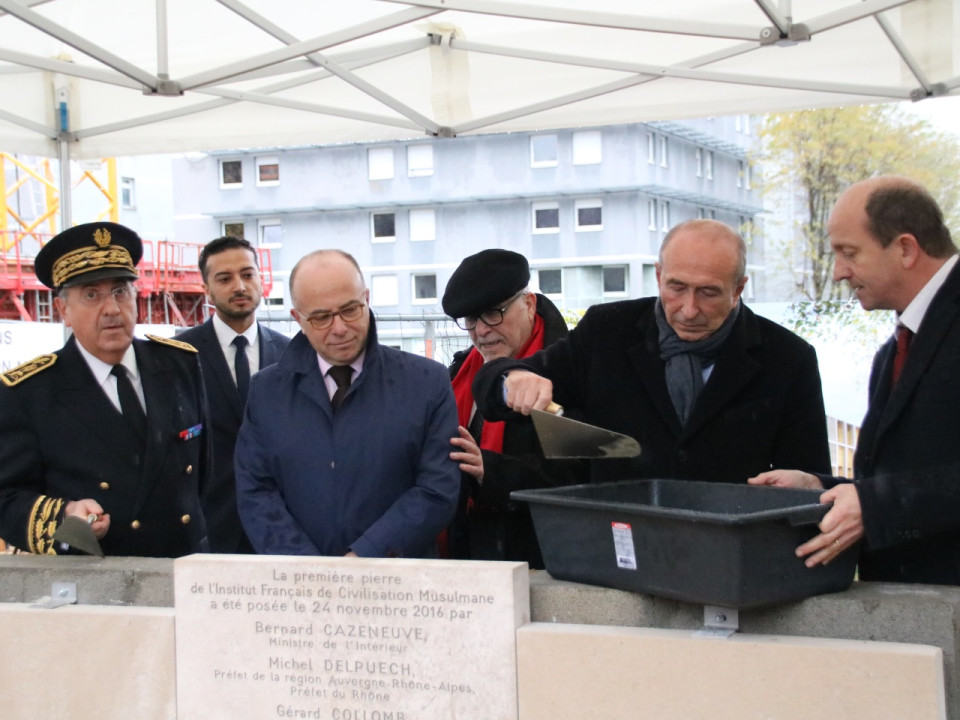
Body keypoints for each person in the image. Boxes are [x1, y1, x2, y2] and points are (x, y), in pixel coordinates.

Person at [474, 218, 832, 485]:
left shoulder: (788, 359)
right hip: (621, 551)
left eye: (708, 292)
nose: (689, 309)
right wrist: (512, 379)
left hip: (728, 561)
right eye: (676, 287)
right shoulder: (608, 331)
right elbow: (491, 384)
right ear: (659, 276)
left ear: (739, 288)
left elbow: (810, 479)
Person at [750, 176, 960, 584]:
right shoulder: (896, 347)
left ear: (905, 248)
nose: (839, 273)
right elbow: (903, 478)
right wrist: (820, 487)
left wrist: (876, 506)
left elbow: (896, 496)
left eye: (849, 253)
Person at [0, 221, 209, 557]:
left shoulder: (179, 364)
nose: (111, 308)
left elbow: (201, 477)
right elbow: (6, 498)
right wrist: (65, 517)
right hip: (96, 579)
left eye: (120, 291)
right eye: (92, 294)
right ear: (63, 310)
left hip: (183, 567)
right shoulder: (29, 392)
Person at [234, 249, 459, 557]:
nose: (339, 328)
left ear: (366, 299)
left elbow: (437, 489)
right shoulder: (266, 391)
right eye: (322, 317)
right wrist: (307, 567)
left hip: (398, 586)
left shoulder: (426, 382)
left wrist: (365, 556)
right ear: (298, 319)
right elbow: (256, 492)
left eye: (350, 310)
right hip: (300, 587)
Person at [442, 249, 585, 567]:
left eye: (494, 313)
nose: (480, 331)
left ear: (529, 304)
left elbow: (581, 477)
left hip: (540, 561)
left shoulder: (572, 371)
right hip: (469, 557)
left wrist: (488, 471)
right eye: (470, 319)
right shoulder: (460, 372)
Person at [178, 236, 289, 553]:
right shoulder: (179, 356)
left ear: (261, 280)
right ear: (206, 289)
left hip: (281, 527)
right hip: (208, 529)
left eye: (248, 274)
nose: (239, 286)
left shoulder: (293, 353)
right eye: (224, 278)